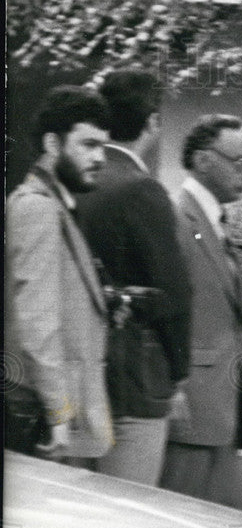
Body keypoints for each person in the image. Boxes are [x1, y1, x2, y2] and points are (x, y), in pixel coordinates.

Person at [77, 70, 192, 485]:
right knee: (127, 504)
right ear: (153, 123)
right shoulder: (142, 190)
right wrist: (177, 374)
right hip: (132, 379)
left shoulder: (72, 180)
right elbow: (174, 293)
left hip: (76, 372)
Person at [159, 115, 242, 504]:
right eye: (240, 162)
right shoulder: (176, 217)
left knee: (212, 521)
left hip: (221, 406)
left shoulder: (215, 222)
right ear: (203, 160)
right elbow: (165, 311)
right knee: (184, 520)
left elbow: (220, 306)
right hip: (192, 403)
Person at [5, 86, 114, 462]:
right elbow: (36, 321)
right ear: (53, 144)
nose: (100, 158)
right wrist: (59, 413)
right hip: (42, 411)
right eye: (88, 145)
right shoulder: (38, 208)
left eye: (103, 146)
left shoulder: (55, 205)